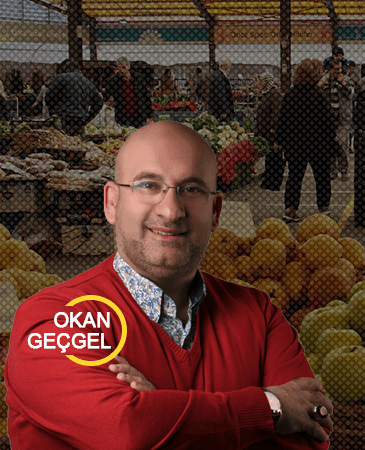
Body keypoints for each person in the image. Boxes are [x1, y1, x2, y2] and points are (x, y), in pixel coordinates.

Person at [4, 121, 333, 449]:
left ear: (216, 211)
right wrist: (269, 408)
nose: (171, 210)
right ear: (112, 202)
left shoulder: (258, 314)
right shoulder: (53, 319)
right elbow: (129, 429)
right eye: (147, 185)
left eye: (191, 189)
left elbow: (311, 434)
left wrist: (162, 413)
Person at [277, 59, 335, 222]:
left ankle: (290, 208)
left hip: (295, 145)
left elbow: (283, 119)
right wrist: (331, 138)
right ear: (314, 75)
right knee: (322, 176)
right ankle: (324, 207)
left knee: (295, 176)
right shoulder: (320, 95)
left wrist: (280, 140)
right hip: (318, 144)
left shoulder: (290, 94)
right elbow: (329, 120)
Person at [45, 59, 104, 137]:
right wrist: (87, 118)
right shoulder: (87, 82)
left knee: (63, 145)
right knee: (78, 145)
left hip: (63, 121)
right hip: (80, 123)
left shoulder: (60, 78)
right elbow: (99, 102)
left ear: (63, 68)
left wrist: (53, 112)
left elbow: (48, 97)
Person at [319, 60, 353, 181]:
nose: (339, 71)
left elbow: (351, 95)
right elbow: (316, 94)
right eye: (336, 69)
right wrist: (321, 84)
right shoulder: (324, 81)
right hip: (328, 120)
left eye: (340, 68)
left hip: (343, 118)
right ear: (330, 70)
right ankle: (332, 170)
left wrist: (343, 84)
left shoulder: (346, 79)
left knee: (343, 144)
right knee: (330, 145)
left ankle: (343, 170)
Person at [254, 73, 286, 191]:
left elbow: (277, 113)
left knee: (275, 156)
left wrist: (274, 127)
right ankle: (269, 178)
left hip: (271, 132)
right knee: (270, 156)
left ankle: (273, 182)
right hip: (267, 131)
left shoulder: (275, 95)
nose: (260, 84)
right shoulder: (268, 94)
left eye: (262, 82)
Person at [103, 57, 154, 129]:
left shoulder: (138, 78)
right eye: (119, 67)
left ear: (128, 67)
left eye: (123, 67)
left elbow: (146, 97)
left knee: (138, 136)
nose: (121, 70)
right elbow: (105, 95)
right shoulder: (114, 81)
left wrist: (150, 116)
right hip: (123, 117)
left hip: (139, 116)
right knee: (125, 137)